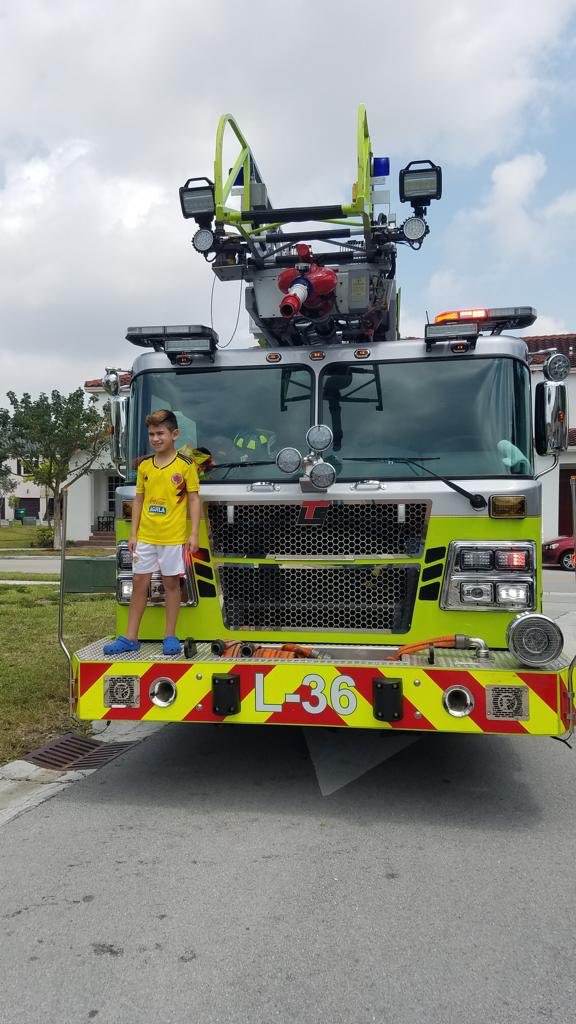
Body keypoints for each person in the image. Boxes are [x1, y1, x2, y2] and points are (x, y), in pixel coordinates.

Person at [104, 409, 201, 657]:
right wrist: (134, 534)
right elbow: (138, 500)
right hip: (146, 537)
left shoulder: (186, 465)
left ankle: (169, 635)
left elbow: (193, 499)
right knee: (138, 583)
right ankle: (129, 638)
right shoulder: (145, 466)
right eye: (151, 434)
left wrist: (194, 534)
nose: (156, 439)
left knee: (171, 583)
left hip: (173, 537)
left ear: (174, 434)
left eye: (161, 433)